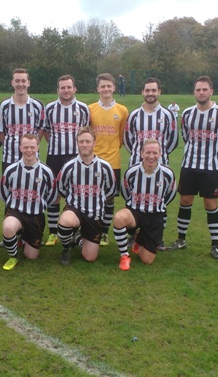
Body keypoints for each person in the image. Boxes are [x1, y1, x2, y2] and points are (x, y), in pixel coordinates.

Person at [168, 76, 218, 259]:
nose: (201, 92)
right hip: (189, 165)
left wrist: (213, 152)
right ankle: (181, 239)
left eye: (205, 89)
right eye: (198, 90)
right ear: (194, 92)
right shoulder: (187, 113)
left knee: (210, 204)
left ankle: (215, 245)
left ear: (211, 91)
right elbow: (185, 136)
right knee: (185, 201)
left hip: (211, 167)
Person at [112, 139, 177, 271]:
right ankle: (124, 256)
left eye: (155, 153)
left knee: (147, 260)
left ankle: (139, 238)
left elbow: (170, 194)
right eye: (148, 152)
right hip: (135, 212)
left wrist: (158, 205)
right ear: (142, 153)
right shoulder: (131, 172)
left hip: (155, 217)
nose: (151, 156)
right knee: (119, 218)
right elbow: (126, 193)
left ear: (160, 154)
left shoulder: (168, 174)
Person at [42, 74, 90, 247]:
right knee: (54, 194)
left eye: (69, 87)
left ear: (74, 89)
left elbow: (86, 133)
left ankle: (75, 229)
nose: (66, 90)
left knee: (76, 194)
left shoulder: (83, 109)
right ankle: (53, 232)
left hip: (76, 158)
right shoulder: (49, 108)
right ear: (58, 90)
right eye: (63, 87)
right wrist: (57, 144)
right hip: (55, 156)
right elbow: (46, 131)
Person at [56, 126, 115, 265]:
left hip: (95, 215)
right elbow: (61, 188)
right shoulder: (69, 166)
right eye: (81, 141)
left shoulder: (105, 167)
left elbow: (110, 190)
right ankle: (66, 248)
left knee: (90, 257)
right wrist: (72, 201)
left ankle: (78, 238)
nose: (84, 145)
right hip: (75, 208)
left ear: (94, 143)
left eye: (88, 141)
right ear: (77, 143)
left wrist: (96, 199)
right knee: (65, 222)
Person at [0, 133, 57, 271]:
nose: (29, 150)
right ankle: (13, 256)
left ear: (38, 147)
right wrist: (13, 204)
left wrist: (40, 205)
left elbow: (52, 195)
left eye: (32, 147)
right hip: (16, 211)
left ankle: (23, 236)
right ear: (20, 148)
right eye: (25, 147)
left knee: (31, 256)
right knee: (8, 227)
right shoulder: (11, 170)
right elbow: (4, 192)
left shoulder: (46, 172)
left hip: (36, 216)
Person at [88, 73, 129, 248]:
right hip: (93, 161)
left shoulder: (122, 110)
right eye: (102, 86)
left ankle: (104, 232)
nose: (106, 89)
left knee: (109, 199)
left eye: (108, 86)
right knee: (90, 196)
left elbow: (122, 137)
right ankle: (91, 230)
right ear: (98, 89)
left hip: (113, 162)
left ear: (114, 88)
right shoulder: (89, 109)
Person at [0, 68, 45, 174]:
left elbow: (41, 129)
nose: (20, 84)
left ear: (28, 83)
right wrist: (9, 145)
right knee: (10, 189)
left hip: (32, 158)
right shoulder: (4, 106)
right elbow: (0, 131)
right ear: (12, 83)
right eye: (17, 81)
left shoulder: (37, 105)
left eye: (23, 81)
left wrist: (32, 145)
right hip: (9, 158)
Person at [124, 77, 178, 168]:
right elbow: (127, 140)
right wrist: (138, 152)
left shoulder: (168, 115)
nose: (150, 93)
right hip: (136, 165)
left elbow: (173, 141)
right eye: (147, 90)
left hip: (161, 165)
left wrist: (161, 152)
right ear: (142, 92)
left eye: (153, 90)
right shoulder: (133, 115)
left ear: (159, 92)